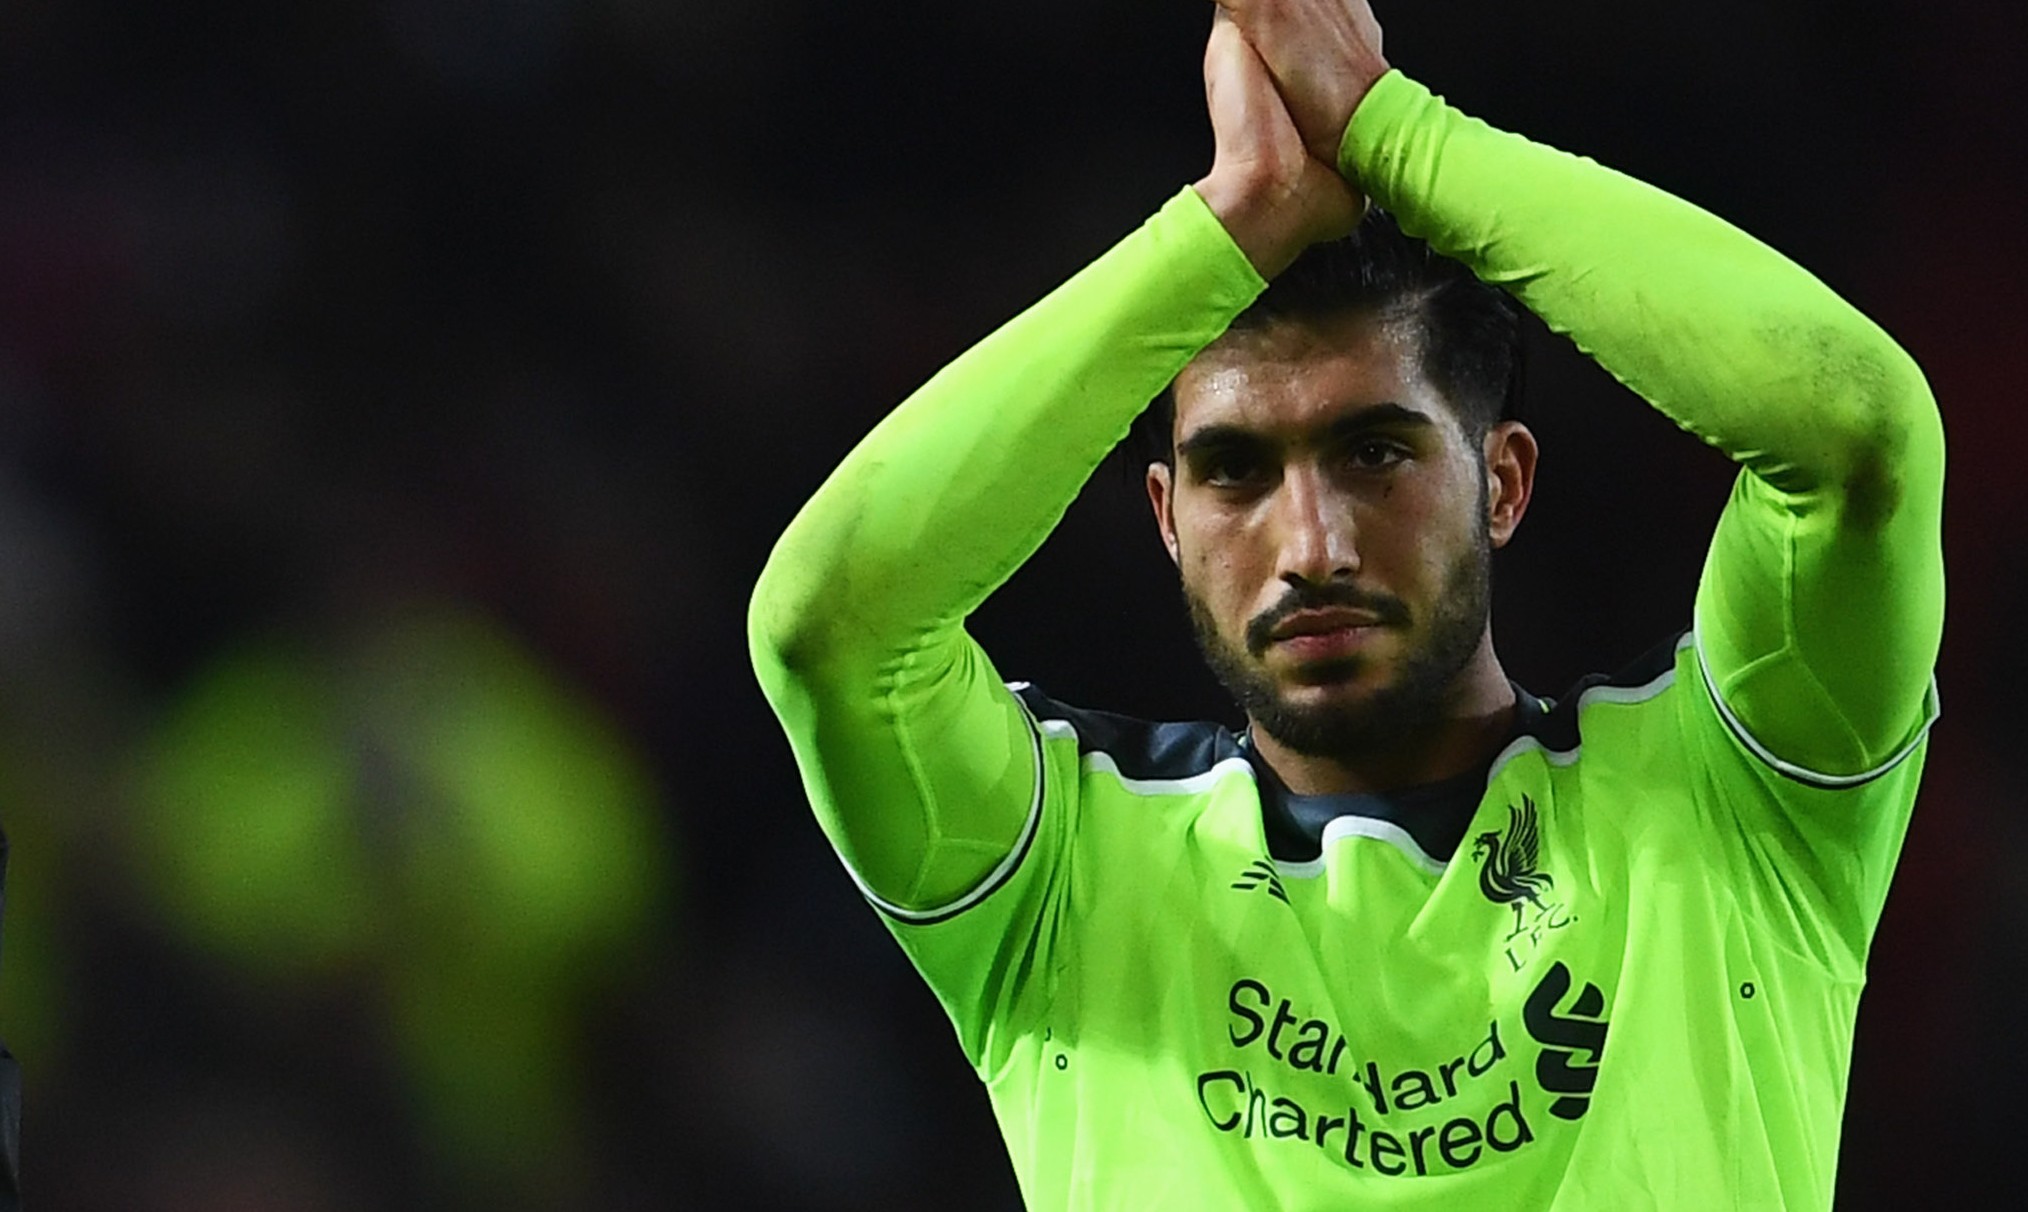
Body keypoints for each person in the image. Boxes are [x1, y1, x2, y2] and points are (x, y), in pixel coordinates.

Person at [748, 0, 1944, 1207]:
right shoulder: (1069, 870)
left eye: (1375, 454)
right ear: (1168, 519)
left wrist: (1389, 128)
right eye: (1235, 471)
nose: (1311, 546)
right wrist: (1234, 219)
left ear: (1505, 482)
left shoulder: (1732, 797)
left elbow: (1856, 432)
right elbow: (830, 626)